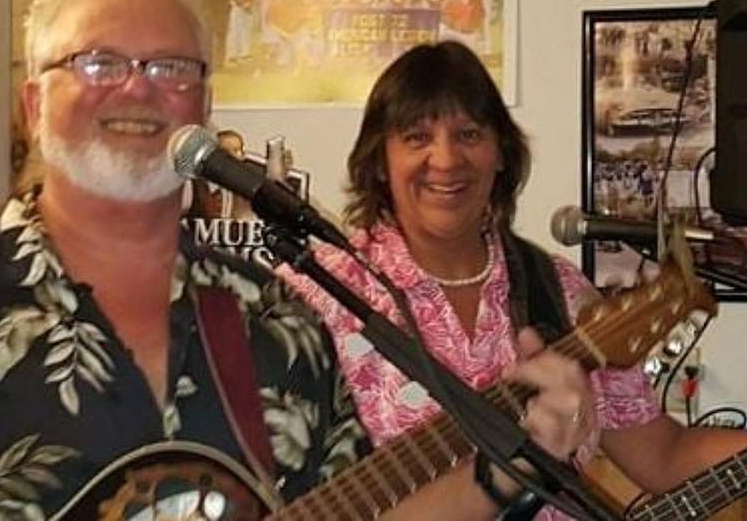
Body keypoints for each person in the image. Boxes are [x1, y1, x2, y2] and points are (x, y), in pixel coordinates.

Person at [0, 0, 595, 521]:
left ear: (202, 109)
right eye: (96, 62)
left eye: (171, 68)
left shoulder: (277, 319)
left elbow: (364, 506)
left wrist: (500, 471)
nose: (138, 89)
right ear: (32, 105)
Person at [281, 41, 747, 520]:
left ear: (501, 154)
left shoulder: (557, 291)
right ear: (380, 161)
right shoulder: (312, 296)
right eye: (417, 137)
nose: (445, 160)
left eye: (468, 134)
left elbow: (663, 456)